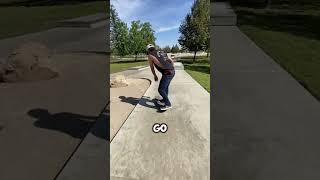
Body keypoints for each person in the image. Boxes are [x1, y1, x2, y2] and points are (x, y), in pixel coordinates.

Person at [146, 44, 175, 111]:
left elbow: (152, 66)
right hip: (172, 71)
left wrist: (155, 75)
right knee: (165, 87)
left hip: (167, 72)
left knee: (161, 89)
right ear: (154, 48)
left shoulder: (150, 55)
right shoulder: (162, 51)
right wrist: (171, 67)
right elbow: (170, 60)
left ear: (147, 50)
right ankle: (164, 100)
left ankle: (168, 104)